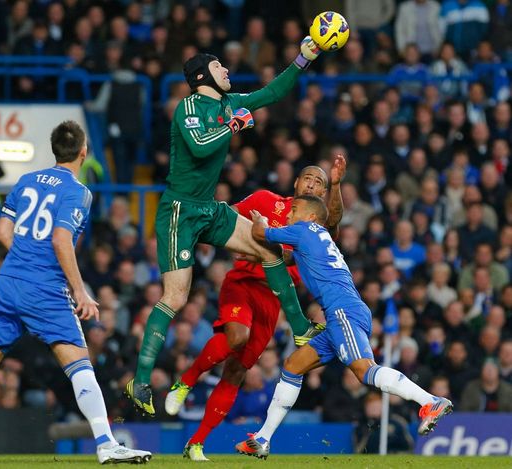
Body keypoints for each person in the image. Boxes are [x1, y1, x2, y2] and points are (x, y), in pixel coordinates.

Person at [0, 121, 151, 465]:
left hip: (10, 280)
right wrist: (81, 292)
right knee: (79, 364)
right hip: (45, 288)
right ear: (84, 152)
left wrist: (26, 258)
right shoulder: (79, 192)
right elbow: (61, 240)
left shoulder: (26, 180)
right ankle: (106, 444)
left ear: (54, 149)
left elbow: (2, 232)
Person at [126, 36, 324, 416]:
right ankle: (140, 381)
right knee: (175, 297)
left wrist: (304, 57)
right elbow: (200, 146)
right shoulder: (189, 106)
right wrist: (234, 125)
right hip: (179, 211)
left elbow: (271, 93)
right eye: (219, 66)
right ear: (202, 75)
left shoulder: (230, 102)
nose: (227, 70)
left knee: (267, 246)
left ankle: (299, 326)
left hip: (208, 208)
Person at [235, 195, 452, 459]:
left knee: (363, 371)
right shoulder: (317, 236)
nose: (289, 214)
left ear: (311, 216)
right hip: (343, 312)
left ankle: (429, 401)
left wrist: (260, 220)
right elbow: (290, 258)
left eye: (294, 210)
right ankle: (263, 439)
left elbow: (261, 232)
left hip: (342, 311)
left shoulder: (303, 230)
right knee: (293, 365)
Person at [164, 161, 346, 461]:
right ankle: (186, 380)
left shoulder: (316, 227)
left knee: (236, 371)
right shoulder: (266, 201)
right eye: (308, 178)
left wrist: (337, 186)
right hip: (244, 283)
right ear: (297, 182)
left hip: (273, 301)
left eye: (319, 182)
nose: (312, 184)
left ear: (323, 192)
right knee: (237, 336)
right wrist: (223, 239)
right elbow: (227, 218)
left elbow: (334, 220)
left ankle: (195, 443)